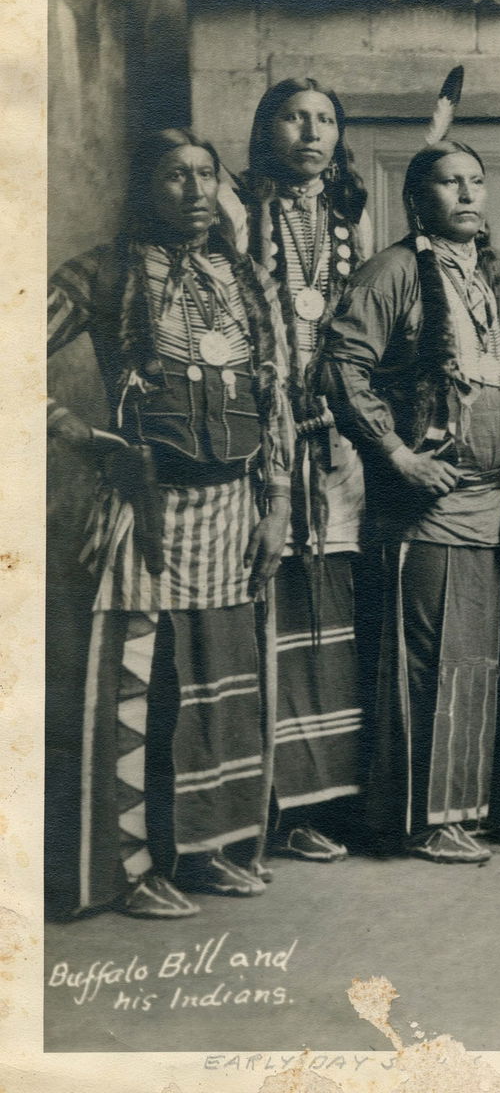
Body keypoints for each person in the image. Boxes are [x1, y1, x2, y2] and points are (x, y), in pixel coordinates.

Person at [47, 128, 293, 917]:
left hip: (233, 507)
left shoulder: (242, 277)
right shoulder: (104, 270)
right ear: (144, 190)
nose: (192, 190)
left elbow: (274, 398)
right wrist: (70, 428)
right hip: (146, 508)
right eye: (173, 177)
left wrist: (278, 502)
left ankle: (207, 849)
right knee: (140, 689)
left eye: (203, 175)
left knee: (220, 685)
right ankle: (129, 869)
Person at [321, 134, 500, 865]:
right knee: (426, 658)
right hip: (425, 504)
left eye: (476, 180)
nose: (468, 193)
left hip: (491, 500)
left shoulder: (494, 277)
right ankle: (419, 817)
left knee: (474, 656)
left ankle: (465, 809)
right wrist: (398, 454)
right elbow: (343, 366)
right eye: (450, 182)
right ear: (417, 199)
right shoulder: (395, 270)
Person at [242, 78, 374, 864]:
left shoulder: (348, 221)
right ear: (268, 130)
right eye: (295, 117)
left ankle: (324, 802)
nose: (311, 132)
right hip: (258, 451)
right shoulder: (236, 214)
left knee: (332, 617)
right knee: (269, 614)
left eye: (326, 119)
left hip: (335, 449)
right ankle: (265, 802)